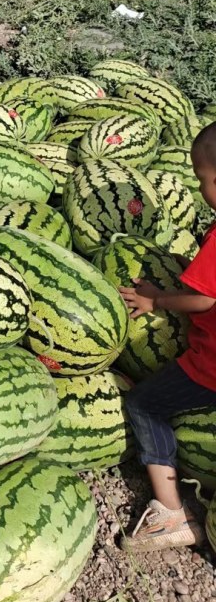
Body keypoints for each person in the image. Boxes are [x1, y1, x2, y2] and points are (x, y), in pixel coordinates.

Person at [119, 121, 216, 551]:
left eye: (201, 179)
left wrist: (157, 300)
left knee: (144, 405)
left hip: (210, 366)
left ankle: (171, 511)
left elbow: (204, 301)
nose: (199, 190)